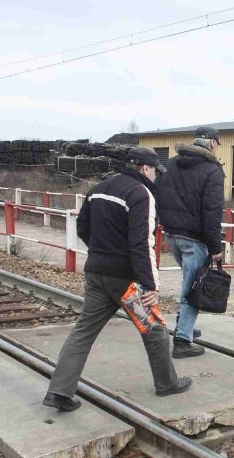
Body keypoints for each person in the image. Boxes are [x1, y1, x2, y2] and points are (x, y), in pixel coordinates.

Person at [42, 148, 192, 412]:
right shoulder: (140, 194)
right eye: (155, 170)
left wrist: (101, 253)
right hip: (126, 282)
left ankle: (59, 391)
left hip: (97, 274)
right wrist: (151, 286)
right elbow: (142, 243)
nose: (156, 175)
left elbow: (83, 228)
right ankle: (167, 384)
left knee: (83, 332)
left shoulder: (98, 188)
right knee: (155, 330)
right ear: (145, 168)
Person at [157, 126, 225, 358]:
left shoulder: (172, 164)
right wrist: (216, 248)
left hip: (171, 234)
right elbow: (212, 212)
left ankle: (184, 326)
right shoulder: (212, 170)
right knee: (194, 287)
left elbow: (160, 196)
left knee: (189, 282)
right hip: (193, 238)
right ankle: (182, 341)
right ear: (213, 144)